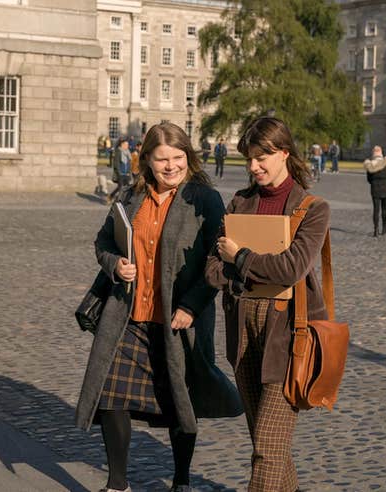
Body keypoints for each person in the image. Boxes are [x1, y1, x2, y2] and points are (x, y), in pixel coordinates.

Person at [74, 123, 243, 492]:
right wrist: (115, 264)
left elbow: (217, 264)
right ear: (146, 160)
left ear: (189, 157)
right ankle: (117, 484)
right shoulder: (130, 195)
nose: (171, 167)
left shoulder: (204, 199)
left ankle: (181, 480)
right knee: (111, 395)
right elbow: (104, 241)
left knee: (179, 401)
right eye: (162, 159)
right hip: (127, 316)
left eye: (178, 158)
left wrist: (192, 306)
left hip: (179, 319)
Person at [205, 117, 331, 492]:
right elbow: (212, 270)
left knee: (267, 448)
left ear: (285, 153)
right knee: (270, 445)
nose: (253, 167)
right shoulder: (240, 202)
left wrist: (241, 258)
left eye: (262, 157)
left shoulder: (312, 208)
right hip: (243, 331)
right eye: (249, 159)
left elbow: (291, 268)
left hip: (290, 336)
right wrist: (249, 272)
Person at [364, 145, 386, 236]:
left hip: (375, 188)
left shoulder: (370, 165)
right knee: (384, 208)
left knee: (376, 209)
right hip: (385, 188)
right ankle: (384, 228)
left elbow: (368, 179)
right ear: (381, 153)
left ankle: (376, 230)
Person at [108, 138, 132, 204]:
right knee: (121, 187)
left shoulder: (127, 152)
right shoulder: (118, 151)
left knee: (126, 187)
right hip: (120, 173)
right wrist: (119, 173)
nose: (127, 146)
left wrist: (129, 172)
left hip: (126, 173)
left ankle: (112, 196)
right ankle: (118, 201)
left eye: (128, 144)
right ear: (122, 145)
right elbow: (116, 163)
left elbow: (129, 163)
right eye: (126, 144)